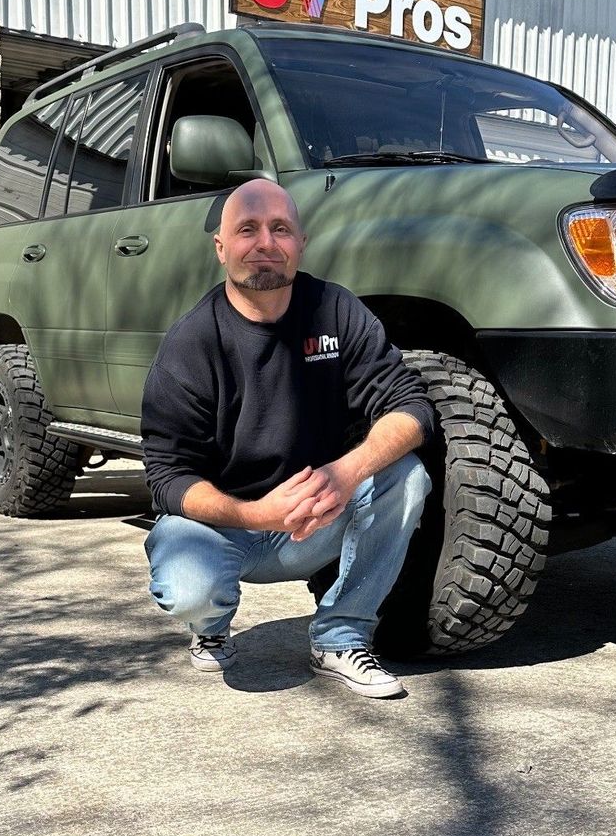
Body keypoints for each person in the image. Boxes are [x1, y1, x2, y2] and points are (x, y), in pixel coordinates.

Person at [141, 179, 434, 699]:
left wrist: (345, 473)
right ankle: (208, 626)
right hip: (223, 526)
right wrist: (257, 514)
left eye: (280, 229)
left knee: (406, 476)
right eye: (247, 229)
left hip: (312, 517)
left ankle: (340, 636)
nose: (265, 243)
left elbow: (411, 409)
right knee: (189, 586)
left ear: (301, 243)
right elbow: (165, 476)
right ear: (221, 248)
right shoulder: (192, 342)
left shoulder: (335, 311)